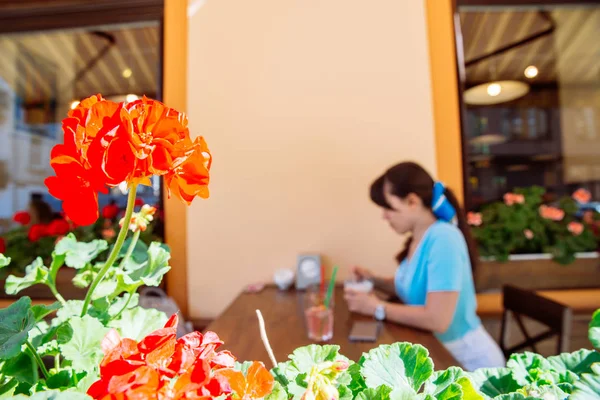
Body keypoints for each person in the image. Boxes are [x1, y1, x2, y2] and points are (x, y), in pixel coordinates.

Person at [344, 161, 504, 371]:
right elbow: (414, 287)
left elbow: (438, 319)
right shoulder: (419, 239)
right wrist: (373, 280)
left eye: (388, 207)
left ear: (412, 201)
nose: (384, 216)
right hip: (439, 354)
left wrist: (376, 308)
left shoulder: (444, 239)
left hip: (468, 365)